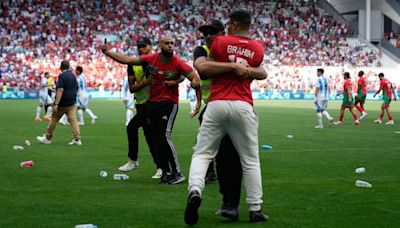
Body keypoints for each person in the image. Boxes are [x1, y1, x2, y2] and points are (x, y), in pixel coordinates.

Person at [185, 10, 269, 225]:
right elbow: (262, 71)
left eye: (212, 32)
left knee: (203, 154)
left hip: (217, 103)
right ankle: (255, 209)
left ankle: (195, 190)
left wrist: (235, 65)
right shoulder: (257, 47)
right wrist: (239, 67)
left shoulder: (219, 44)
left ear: (230, 25)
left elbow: (203, 67)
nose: (208, 36)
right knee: (250, 160)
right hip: (243, 104)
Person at [101, 36, 202, 185]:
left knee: (164, 136)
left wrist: (198, 100)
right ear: (160, 45)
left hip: (168, 103)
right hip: (151, 103)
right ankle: (166, 172)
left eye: (172, 43)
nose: (170, 46)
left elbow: (195, 78)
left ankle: (177, 173)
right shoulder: (152, 58)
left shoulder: (178, 62)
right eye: (167, 43)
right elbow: (128, 60)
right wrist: (108, 53)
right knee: (156, 139)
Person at [193, 19, 244, 220]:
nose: (207, 36)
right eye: (205, 33)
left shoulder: (237, 48)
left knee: (233, 159)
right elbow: (203, 69)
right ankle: (202, 191)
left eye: (212, 32)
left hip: (236, 107)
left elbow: (257, 71)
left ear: (223, 33)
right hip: (214, 108)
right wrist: (233, 67)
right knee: (224, 158)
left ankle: (238, 204)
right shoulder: (202, 50)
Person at [118, 37, 162, 180]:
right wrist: (145, 82)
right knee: (150, 136)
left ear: (150, 46)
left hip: (154, 104)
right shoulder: (133, 64)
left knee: (134, 128)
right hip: (141, 104)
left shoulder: (156, 60)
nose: (140, 49)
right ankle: (160, 167)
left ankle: (134, 161)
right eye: (139, 46)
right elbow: (132, 88)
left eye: (143, 46)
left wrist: (144, 83)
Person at [37, 60, 81, 145]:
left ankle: (47, 138)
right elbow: (77, 88)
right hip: (72, 102)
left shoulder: (62, 76)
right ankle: (77, 139)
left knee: (54, 119)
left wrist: (56, 104)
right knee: (73, 120)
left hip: (63, 103)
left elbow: (60, 90)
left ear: (61, 67)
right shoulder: (73, 76)